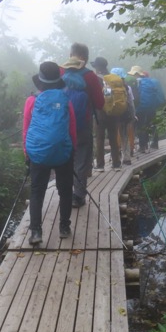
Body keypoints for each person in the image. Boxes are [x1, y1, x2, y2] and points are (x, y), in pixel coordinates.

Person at [22, 61, 77, 245]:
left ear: (41, 81)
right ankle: (64, 228)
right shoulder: (66, 101)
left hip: (38, 152)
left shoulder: (32, 101)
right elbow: (72, 129)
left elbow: (27, 129)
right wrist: (72, 151)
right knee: (65, 190)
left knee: (37, 192)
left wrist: (26, 153)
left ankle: (36, 232)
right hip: (62, 151)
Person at [62, 43, 104, 208]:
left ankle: (64, 192)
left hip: (61, 124)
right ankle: (78, 196)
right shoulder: (90, 76)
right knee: (81, 159)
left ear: (71, 54)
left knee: (64, 159)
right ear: (85, 59)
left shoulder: (61, 72)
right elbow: (100, 103)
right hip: (82, 123)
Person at [91, 56, 124, 171]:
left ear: (97, 67)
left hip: (100, 112)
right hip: (113, 112)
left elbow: (97, 95)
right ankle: (116, 164)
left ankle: (100, 165)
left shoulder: (97, 78)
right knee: (113, 138)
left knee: (99, 138)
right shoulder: (113, 78)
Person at [128, 65, 166, 153]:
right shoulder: (150, 81)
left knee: (139, 126)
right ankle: (154, 142)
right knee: (151, 124)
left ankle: (142, 146)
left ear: (135, 74)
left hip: (140, 107)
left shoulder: (135, 82)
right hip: (151, 106)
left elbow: (134, 97)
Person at [111, 67, 137, 165]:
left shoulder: (108, 87)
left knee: (113, 136)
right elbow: (131, 103)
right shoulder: (127, 87)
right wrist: (133, 115)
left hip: (112, 115)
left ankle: (115, 158)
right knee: (124, 136)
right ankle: (127, 158)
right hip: (124, 115)